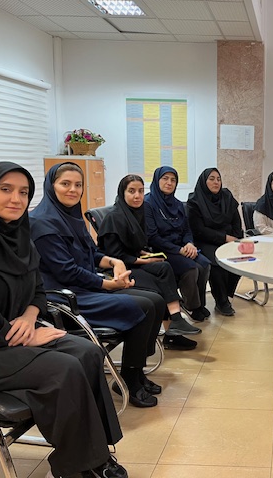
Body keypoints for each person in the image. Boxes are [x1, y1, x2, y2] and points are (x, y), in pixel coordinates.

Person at [0, 162, 127, 478]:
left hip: (15, 333)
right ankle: (73, 467)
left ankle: (97, 452)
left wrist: (30, 317)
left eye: (24, 192)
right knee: (63, 368)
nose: (16, 199)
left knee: (88, 352)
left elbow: (38, 290)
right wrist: (25, 335)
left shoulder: (18, 234)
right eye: (5, 189)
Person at [31, 162, 163, 408]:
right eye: (65, 184)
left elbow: (92, 253)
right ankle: (130, 380)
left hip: (84, 286)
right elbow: (66, 271)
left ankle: (136, 371)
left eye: (78, 184)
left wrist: (114, 262)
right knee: (143, 307)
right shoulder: (42, 223)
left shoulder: (71, 216)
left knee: (155, 300)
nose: (73, 190)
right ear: (51, 186)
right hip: (65, 297)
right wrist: (107, 284)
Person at [97, 174, 202, 351]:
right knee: (160, 279)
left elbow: (133, 245)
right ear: (122, 193)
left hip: (132, 262)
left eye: (140, 191)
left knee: (164, 267)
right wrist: (145, 260)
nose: (137, 196)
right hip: (118, 270)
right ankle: (173, 330)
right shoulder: (114, 218)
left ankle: (174, 326)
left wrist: (145, 254)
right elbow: (115, 255)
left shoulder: (137, 213)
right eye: (131, 191)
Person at [145, 166, 212, 323]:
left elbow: (186, 229)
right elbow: (152, 237)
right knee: (191, 269)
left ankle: (200, 304)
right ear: (157, 180)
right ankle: (192, 306)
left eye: (173, 180)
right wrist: (179, 250)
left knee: (205, 264)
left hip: (181, 248)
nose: (169, 183)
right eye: (165, 179)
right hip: (161, 250)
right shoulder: (148, 204)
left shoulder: (177, 204)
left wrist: (189, 244)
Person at [187, 168, 243, 316]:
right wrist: (224, 238)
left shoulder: (227, 196)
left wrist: (236, 238)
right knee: (217, 262)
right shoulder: (195, 201)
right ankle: (221, 300)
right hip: (205, 241)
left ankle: (226, 293)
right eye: (211, 179)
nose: (216, 182)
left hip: (229, 239)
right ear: (204, 181)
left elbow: (236, 221)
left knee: (240, 258)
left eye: (218, 179)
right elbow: (198, 230)